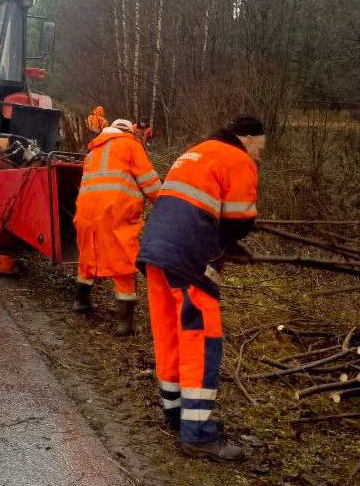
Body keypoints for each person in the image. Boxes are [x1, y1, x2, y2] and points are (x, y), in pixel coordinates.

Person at [137, 115, 266, 462]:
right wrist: (229, 243)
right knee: (201, 339)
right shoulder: (237, 158)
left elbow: (196, 208)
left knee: (169, 332)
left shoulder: (198, 152)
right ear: (249, 139)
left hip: (156, 250)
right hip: (189, 255)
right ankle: (197, 435)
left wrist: (225, 246)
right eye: (259, 149)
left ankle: (175, 413)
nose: (258, 156)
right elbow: (240, 220)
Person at [73, 118, 161, 335]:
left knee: (88, 257)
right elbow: (149, 180)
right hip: (115, 212)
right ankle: (125, 324)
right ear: (128, 130)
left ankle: (80, 302)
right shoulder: (130, 145)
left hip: (85, 213)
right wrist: (166, 204)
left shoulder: (92, 152)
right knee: (123, 263)